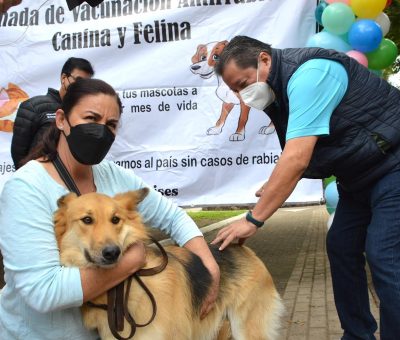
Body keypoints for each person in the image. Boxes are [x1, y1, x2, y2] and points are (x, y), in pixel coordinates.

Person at [211, 35, 400, 340]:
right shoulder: (277, 90)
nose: (242, 95)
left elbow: (297, 157)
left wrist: (253, 220)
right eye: (234, 90)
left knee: (385, 256)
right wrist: (274, 183)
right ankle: (357, 334)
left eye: (243, 83)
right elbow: (299, 154)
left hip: (393, 166)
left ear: (263, 60)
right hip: (358, 177)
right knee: (340, 246)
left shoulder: (311, 75)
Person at [0, 78, 220, 339]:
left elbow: (173, 217)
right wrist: (131, 260)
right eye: (91, 118)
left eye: (111, 125)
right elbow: (44, 291)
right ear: (61, 120)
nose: (100, 131)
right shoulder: (26, 187)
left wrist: (210, 269)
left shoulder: (111, 176)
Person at [11, 57, 94, 169]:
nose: (81, 87)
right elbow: (18, 152)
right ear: (64, 78)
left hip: (70, 182)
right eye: (78, 81)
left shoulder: (84, 113)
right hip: (38, 181)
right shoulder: (33, 106)